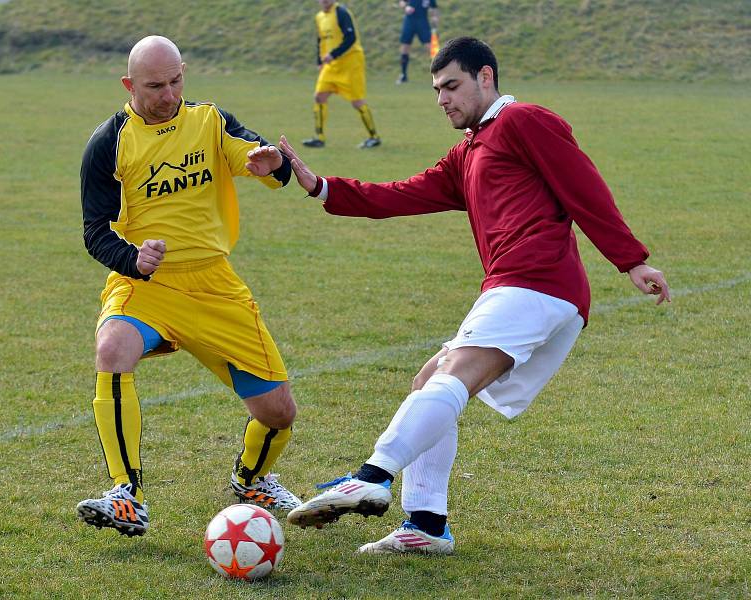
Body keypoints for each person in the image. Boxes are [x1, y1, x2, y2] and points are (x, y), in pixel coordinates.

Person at [280, 37, 671, 554]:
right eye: (437, 89)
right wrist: (320, 186)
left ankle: (371, 476)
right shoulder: (469, 152)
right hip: (527, 289)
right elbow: (401, 194)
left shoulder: (525, 121)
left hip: (537, 282)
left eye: (452, 86)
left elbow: (585, 186)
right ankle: (425, 524)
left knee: (449, 376)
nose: (442, 98)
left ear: (486, 77)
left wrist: (632, 259)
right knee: (430, 381)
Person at [77, 35, 301, 537]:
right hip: (148, 285)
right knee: (112, 348)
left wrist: (273, 164)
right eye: (156, 86)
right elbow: (95, 231)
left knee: (278, 412)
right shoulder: (108, 143)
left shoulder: (210, 121)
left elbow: (256, 155)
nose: (170, 94)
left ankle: (252, 479)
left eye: (176, 80)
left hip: (216, 286)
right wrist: (132, 259)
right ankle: (125, 492)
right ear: (129, 85)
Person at [302, 0, 381, 149]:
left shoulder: (342, 13)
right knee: (319, 96)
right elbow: (320, 40)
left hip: (351, 63)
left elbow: (351, 38)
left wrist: (333, 54)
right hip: (331, 65)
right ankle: (319, 138)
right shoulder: (319, 17)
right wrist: (320, 60)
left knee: (357, 102)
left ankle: (373, 137)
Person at [396, 0, 440, 85]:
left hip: (423, 22)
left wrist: (435, 17)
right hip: (409, 22)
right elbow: (401, 2)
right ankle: (403, 75)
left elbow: (434, 7)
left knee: (431, 49)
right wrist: (406, 7)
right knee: (405, 47)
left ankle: (438, 75)